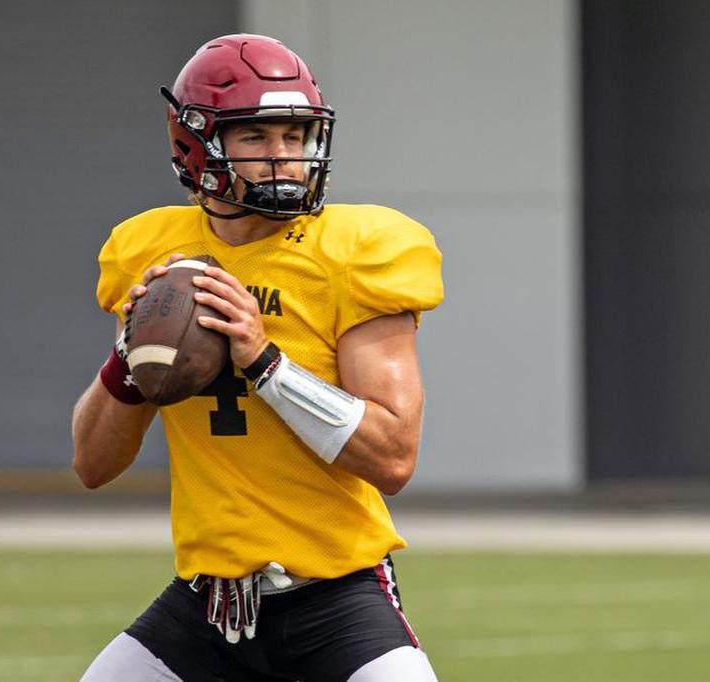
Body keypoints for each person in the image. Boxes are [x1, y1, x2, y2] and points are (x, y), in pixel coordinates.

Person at [73, 33, 443, 681]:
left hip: (336, 599)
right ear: (197, 146)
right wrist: (129, 360)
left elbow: (392, 457)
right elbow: (93, 465)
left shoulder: (357, 250)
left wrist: (264, 360)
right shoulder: (150, 251)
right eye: (257, 138)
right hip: (204, 606)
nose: (284, 159)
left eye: (295, 137)